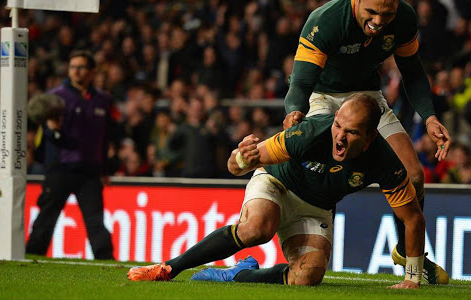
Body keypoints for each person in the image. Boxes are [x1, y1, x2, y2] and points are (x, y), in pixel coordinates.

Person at [127, 94, 437, 289]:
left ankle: (237, 274)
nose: (339, 137)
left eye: (351, 132)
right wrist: (240, 157)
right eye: (338, 126)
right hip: (278, 184)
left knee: (308, 277)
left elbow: (413, 219)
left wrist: (412, 277)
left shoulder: (384, 161)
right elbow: (237, 167)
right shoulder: (312, 132)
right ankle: (169, 268)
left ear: (370, 138)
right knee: (257, 229)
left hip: (317, 208)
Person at [282, 0, 451, 283]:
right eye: (370, 12)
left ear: (398, 5)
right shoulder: (326, 21)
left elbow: (412, 72)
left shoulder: (404, 20)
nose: (377, 21)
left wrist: (428, 116)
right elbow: (302, 80)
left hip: (367, 99)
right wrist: (294, 111)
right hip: (323, 97)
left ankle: (406, 251)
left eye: (386, 14)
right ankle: (306, 252)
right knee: (327, 176)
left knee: (414, 176)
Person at [26, 50, 114, 260]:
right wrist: (54, 130)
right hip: (60, 169)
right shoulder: (56, 97)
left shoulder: (103, 100)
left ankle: (107, 261)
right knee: (47, 217)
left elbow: (105, 137)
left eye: (81, 67)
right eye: (73, 67)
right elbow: (46, 136)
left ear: (92, 72)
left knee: (95, 220)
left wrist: (104, 170)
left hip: (90, 171)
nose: (76, 72)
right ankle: (31, 255)